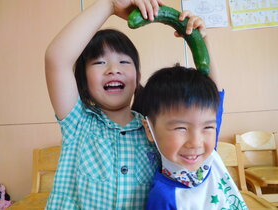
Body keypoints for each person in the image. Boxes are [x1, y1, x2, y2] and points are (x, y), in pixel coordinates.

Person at [44, 0, 210, 209]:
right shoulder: (77, 122)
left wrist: (200, 40)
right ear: (83, 81)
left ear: (137, 76)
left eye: (124, 62)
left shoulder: (155, 130)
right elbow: (56, 59)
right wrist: (110, 5)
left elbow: (209, 107)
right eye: (99, 62)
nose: (113, 69)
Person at [139, 66, 247, 209]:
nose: (196, 143)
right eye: (181, 128)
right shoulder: (163, 197)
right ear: (149, 130)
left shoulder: (210, 155)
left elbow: (217, 93)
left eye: (207, 127)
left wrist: (205, 43)